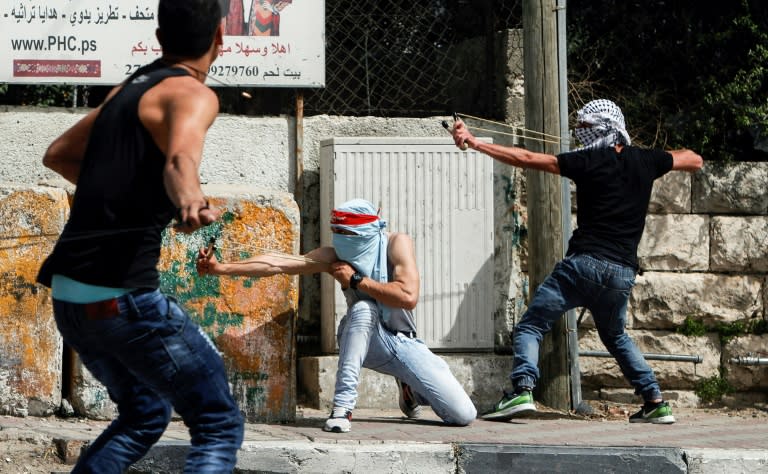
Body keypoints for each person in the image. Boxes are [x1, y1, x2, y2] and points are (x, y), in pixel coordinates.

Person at [36, 0, 244, 471]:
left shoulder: (128, 89)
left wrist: (137, 198)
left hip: (70, 298)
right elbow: (179, 161)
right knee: (218, 422)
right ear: (219, 39)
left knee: (145, 413)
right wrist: (187, 198)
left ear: (158, 37)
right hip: (122, 299)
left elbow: (60, 155)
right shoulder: (192, 94)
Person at [451, 99, 703, 424]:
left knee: (531, 326)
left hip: (582, 265)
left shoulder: (588, 161)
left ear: (599, 129)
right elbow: (694, 160)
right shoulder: (646, 160)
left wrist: (474, 142)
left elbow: (526, 158)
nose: (577, 133)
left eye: (583, 127)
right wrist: (665, 157)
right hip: (622, 272)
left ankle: (522, 390)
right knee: (616, 337)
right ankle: (654, 400)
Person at [197, 198, 477, 433]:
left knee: (462, 415)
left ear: (370, 232)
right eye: (339, 235)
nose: (345, 243)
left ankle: (411, 388)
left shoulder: (395, 243)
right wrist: (222, 268)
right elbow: (278, 263)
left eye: (351, 237)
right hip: (362, 338)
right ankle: (343, 407)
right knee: (364, 309)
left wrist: (357, 281)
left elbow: (408, 297)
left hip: (403, 342)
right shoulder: (334, 255)